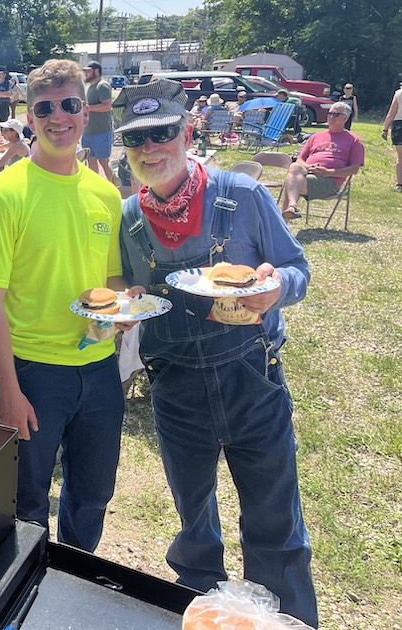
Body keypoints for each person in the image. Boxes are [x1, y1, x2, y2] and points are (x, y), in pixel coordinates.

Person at [114, 78, 318, 628]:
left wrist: (280, 287)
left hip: (252, 376)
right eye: (138, 139)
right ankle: (201, 616)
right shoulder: (128, 217)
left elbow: (297, 267)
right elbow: (132, 292)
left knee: (276, 522)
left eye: (163, 133)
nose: (151, 148)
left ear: (186, 133)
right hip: (175, 385)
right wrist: (125, 306)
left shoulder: (244, 195)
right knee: (194, 524)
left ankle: (291, 620)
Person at [0, 59, 126, 550]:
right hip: (33, 371)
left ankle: (76, 581)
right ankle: (28, 591)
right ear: (30, 117)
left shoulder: (105, 192)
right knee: (27, 500)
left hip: (101, 368)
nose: (59, 116)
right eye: (45, 108)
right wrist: (9, 392)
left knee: (93, 494)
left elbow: (112, 277)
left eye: (69, 105)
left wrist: (126, 302)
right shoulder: (3, 194)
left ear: (86, 111)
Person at [281, 100, 364, 219]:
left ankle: (284, 218)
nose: (331, 116)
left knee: (291, 181)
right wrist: (309, 167)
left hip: (330, 180)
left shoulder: (354, 140)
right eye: (330, 113)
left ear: (345, 118)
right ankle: (292, 207)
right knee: (294, 167)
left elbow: (354, 169)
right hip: (307, 172)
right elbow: (300, 159)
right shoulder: (316, 136)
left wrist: (328, 172)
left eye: (336, 114)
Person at [82, 61, 117, 184]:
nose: (85, 73)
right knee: (91, 161)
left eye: (88, 71)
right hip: (88, 132)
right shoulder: (88, 87)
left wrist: (87, 108)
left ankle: (115, 188)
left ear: (96, 71)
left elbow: (107, 106)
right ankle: (95, 187)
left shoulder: (102, 86)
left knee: (103, 161)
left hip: (101, 132)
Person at [381, 81, 402, 192]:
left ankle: (399, 184)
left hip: (399, 125)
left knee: (400, 157)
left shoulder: (398, 93)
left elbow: (391, 113)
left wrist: (385, 129)